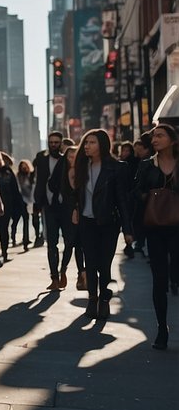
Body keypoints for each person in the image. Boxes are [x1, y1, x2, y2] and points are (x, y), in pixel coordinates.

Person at [71, 129, 133, 322]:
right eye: (86, 142)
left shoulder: (117, 168)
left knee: (104, 263)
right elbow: (77, 193)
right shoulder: (81, 166)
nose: (87, 146)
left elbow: (122, 200)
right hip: (87, 221)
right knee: (90, 261)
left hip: (108, 223)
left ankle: (104, 297)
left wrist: (128, 229)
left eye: (92, 142)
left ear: (102, 145)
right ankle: (92, 298)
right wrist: (75, 208)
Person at [131, 124, 179, 349]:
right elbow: (136, 192)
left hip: (178, 228)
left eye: (160, 135)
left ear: (172, 139)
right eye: (153, 137)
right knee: (159, 280)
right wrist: (149, 196)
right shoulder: (146, 165)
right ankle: (162, 328)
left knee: (176, 276)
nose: (155, 140)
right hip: (155, 229)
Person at [49, 146, 84, 291]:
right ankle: (63, 271)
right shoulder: (63, 171)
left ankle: (80, 275)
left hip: (79, 211)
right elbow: (51, 185)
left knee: (78, 245)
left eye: (75, 156)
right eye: (70, 156)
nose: (72, 159)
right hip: (66, 212)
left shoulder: (82, 171)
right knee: (70, 243)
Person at [34, 132, 67, 257]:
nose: (53, 145)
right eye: (51, 142)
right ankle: (54, 273)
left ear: (61, 143)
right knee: (51, 242)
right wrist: (37, 202)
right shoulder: (41, 158)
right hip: (48, 204)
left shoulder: (66, 159)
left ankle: (64, 268)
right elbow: (39, 181)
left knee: (69, 241)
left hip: (65, 204)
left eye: (56, 142)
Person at [0, 151, 23, 264]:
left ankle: (4, 252)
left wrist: (18, 206)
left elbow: (15, 190)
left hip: (6, 206)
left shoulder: (8, 172)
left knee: (4, 230)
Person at [15, 159, 37, 250]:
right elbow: (18, 188)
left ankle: (36, 236)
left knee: (34, 220)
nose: (24, 168)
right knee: (25, 220)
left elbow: (34, 186)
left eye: (25, 166)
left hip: (32, 200)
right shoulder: (18, 176)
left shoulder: (32, 175)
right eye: (22, 166)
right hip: (21, 201)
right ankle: (25, 240)